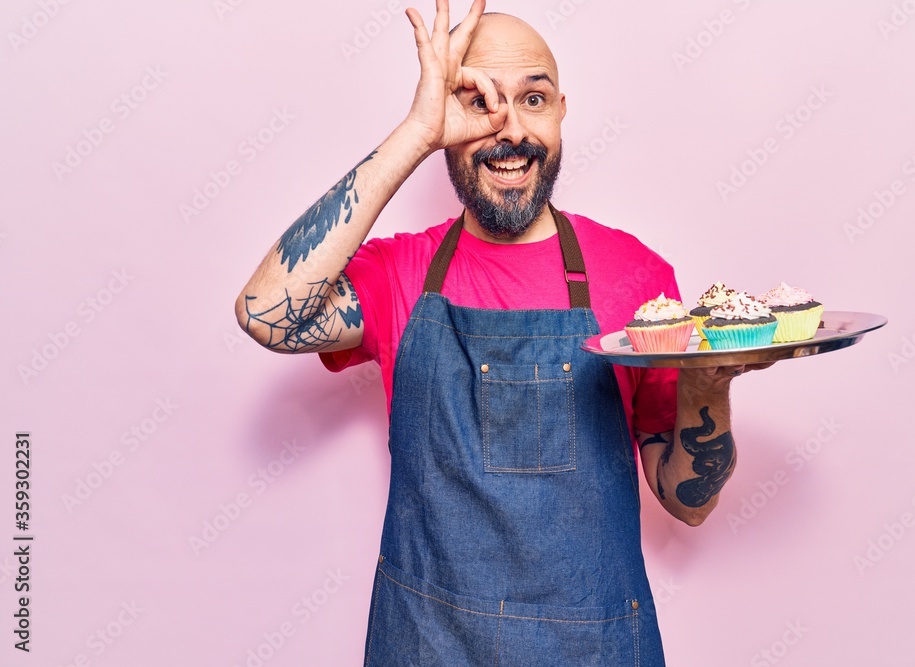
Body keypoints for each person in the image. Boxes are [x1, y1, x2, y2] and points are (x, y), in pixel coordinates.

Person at [236, 1, 768, 663]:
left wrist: (710, 385)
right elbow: (265, 311)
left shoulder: (636, 277)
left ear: (562, 112)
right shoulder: (401, 272)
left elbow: (686, 500)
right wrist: (416, 131)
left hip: (593, 649)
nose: (508, 129)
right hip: (427, 644)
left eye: (533, 98)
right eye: (477, 100)